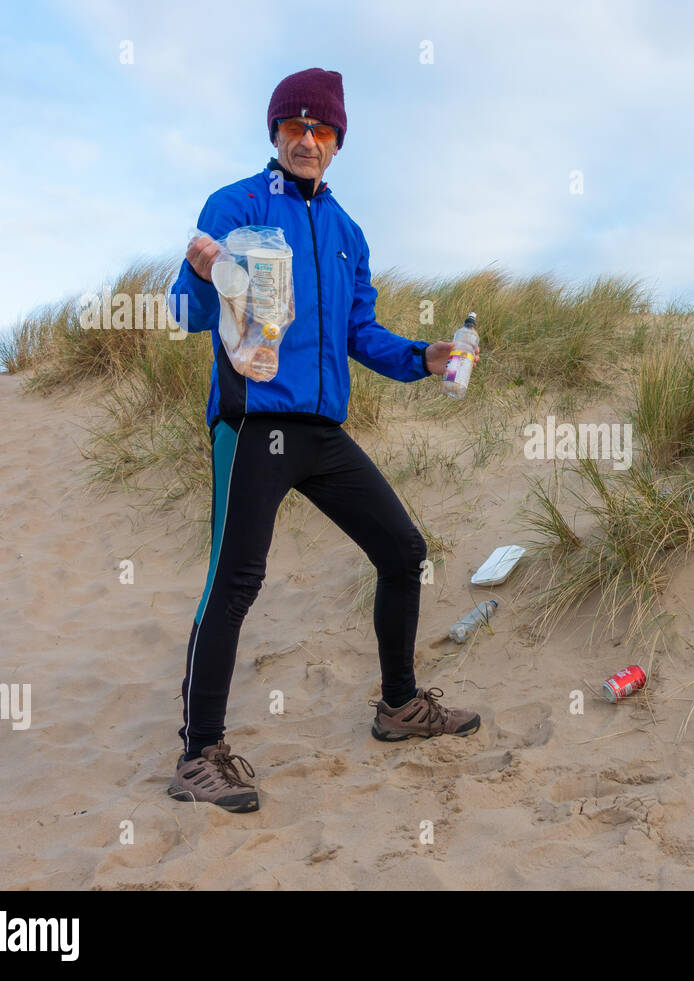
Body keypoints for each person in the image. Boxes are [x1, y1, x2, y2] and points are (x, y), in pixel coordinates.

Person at [165, 68, 480, 813]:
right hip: (253, 423)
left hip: (322, 430)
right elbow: (183, 312)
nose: (308, 141)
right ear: (275, 134)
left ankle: (399, 706)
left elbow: (359, 333)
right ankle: (197, 755)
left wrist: (426, 357)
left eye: (323, 130)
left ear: (338, 143)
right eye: (296, 127)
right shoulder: (235, 203)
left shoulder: (346, 232)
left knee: (403, 550)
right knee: (235, 581)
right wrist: (204, 271)